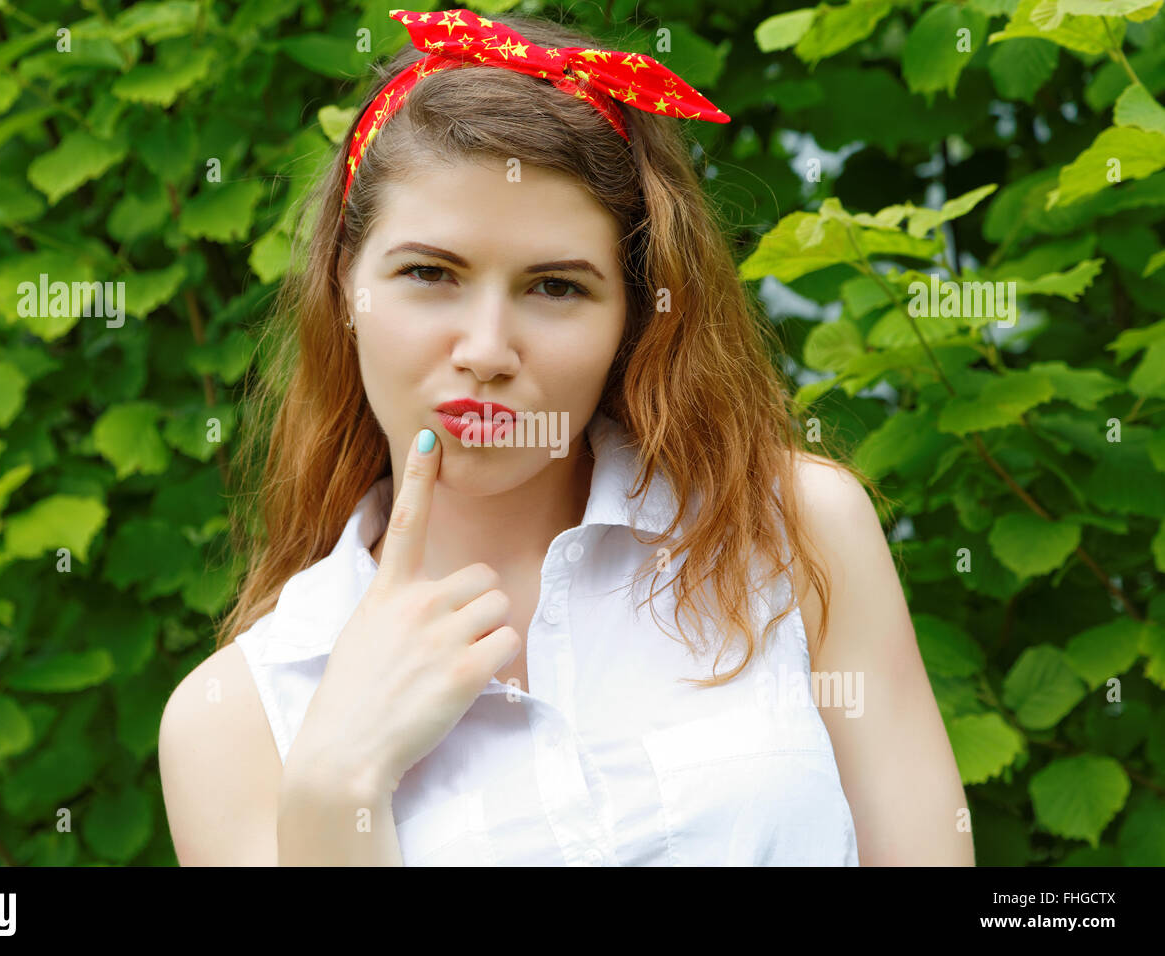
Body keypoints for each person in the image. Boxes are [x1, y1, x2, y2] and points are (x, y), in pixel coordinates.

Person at [158, 7, 973, 866]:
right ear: (344, 291)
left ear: (635, 315)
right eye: (429, 274)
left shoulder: (793, 531)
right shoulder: (238, 717)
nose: (485, 352)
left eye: (555, 287)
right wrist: (335, 789)